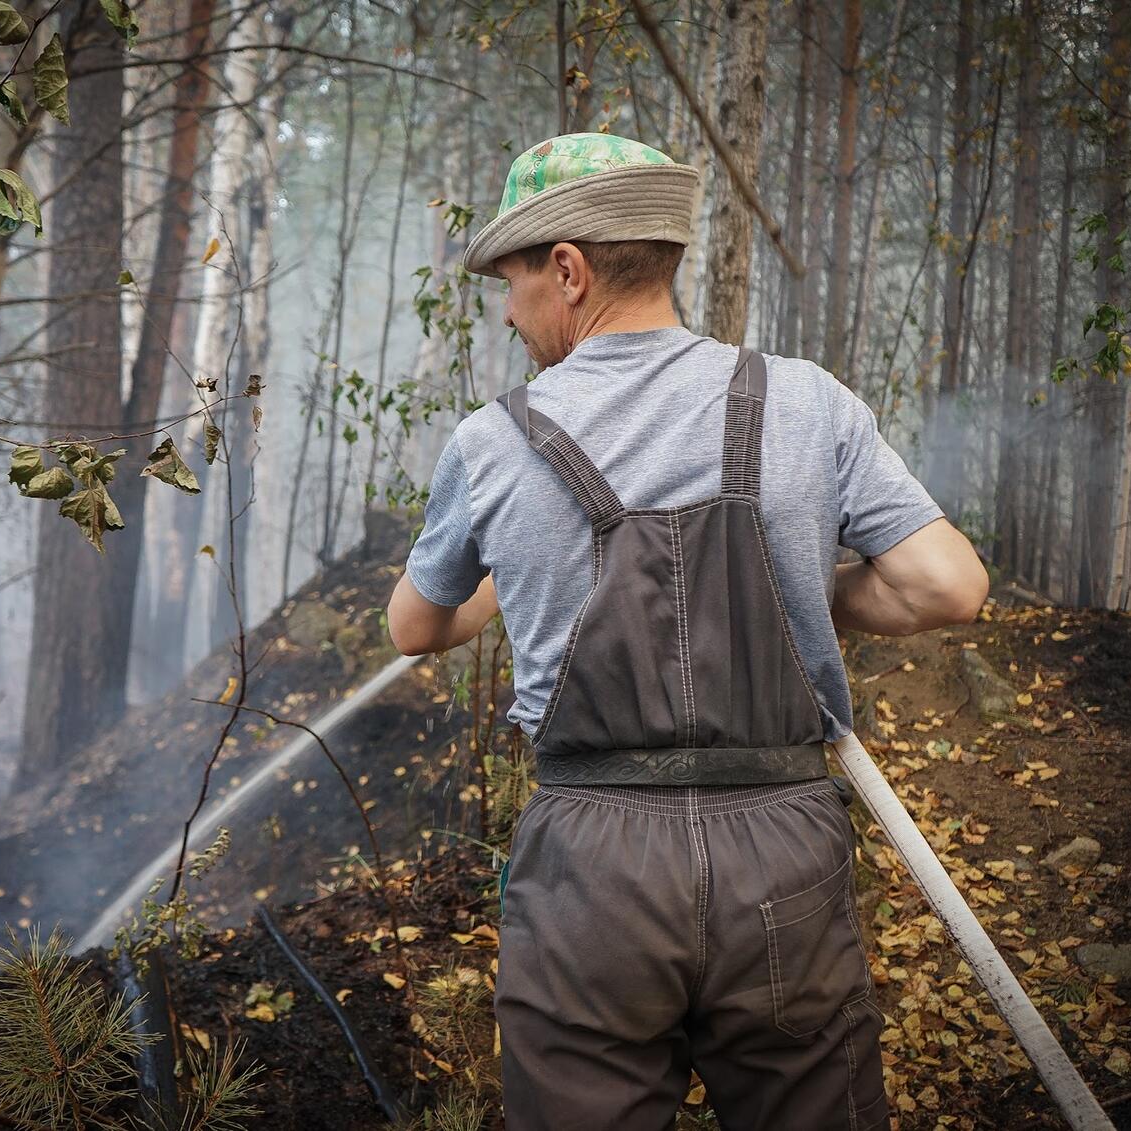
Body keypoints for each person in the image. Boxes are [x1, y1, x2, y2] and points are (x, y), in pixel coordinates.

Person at [386, 133, 989, 1131]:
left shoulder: (492, 440)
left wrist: (513, 576)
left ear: (568, 272)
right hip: (783, 855)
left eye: (512, 278)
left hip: (592, 863)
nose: (505, 308)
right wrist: (796, 587)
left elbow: (413, 625)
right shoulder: (802, 398)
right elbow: (946, 586)